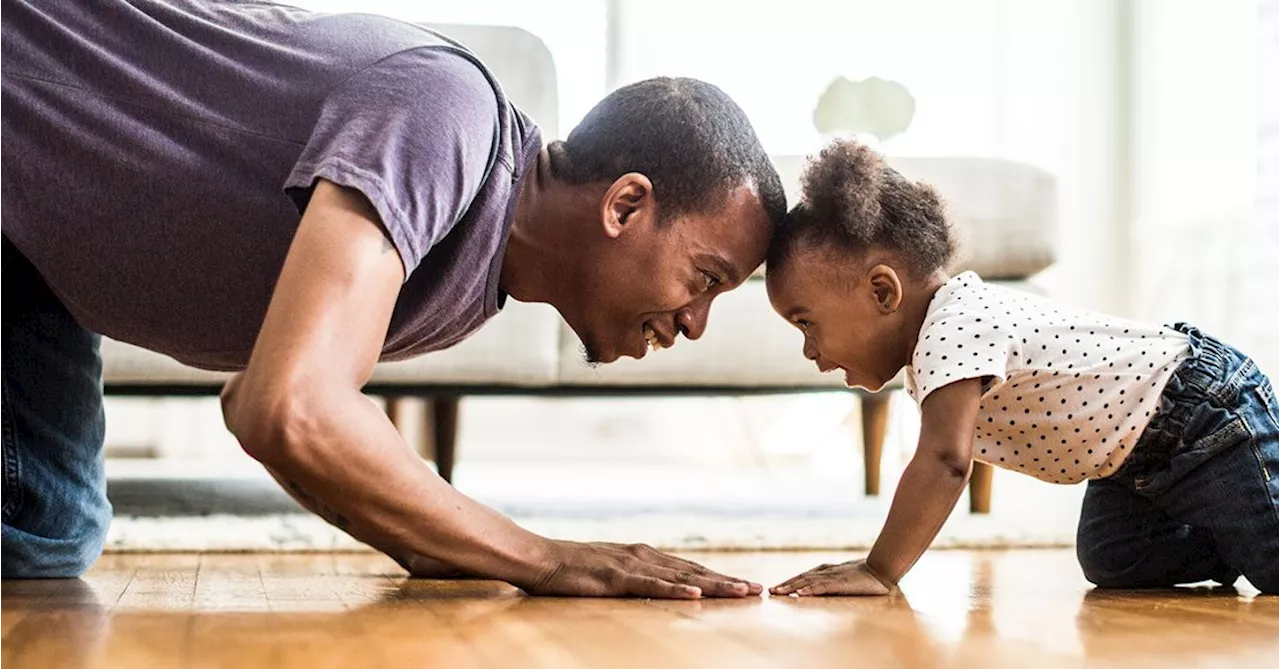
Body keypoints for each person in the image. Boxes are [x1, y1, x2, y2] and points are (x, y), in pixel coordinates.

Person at [0, 0, 787, 598]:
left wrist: (442, 544)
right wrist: (544, 556)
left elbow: (256, 407)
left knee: (45, 532)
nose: (695, 323)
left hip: (28, 262)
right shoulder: (449, 114)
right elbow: (292, 407)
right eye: (706, 278)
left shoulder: (472, 281)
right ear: (624, 206)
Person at [763, 139, 1280, 596]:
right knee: (1113, 557)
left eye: (806, 323)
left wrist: (880, 570)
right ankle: (1230, 528)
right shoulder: (939, 343)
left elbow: (946, 460)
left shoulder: (953, 325)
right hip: (1132, 460)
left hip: (1201, 412)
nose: (809, 350)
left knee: (1275, 564)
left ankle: (1250, 526)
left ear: (882, 291)